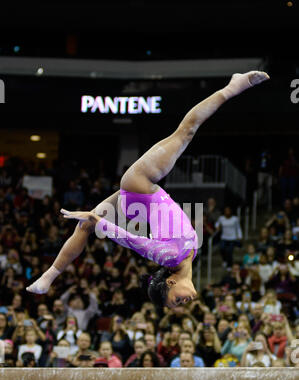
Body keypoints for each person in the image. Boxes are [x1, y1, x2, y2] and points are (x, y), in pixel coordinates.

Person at [27, 71, 270, 307]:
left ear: (171, 281)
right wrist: (94, 220)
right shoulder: (188, 256)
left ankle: (234, 86)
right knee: (85, 226)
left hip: (140, 184)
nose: (183, 302)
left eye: (176, 300)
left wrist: (99, 221)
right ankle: (48, 277)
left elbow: (133, 241)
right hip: (137, 201)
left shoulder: (169, 258)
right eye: (179, 305)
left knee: (186, 131)